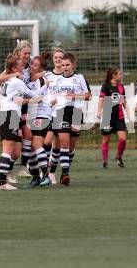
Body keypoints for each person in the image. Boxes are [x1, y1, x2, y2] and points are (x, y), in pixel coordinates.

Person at [0, 56, 48, 190]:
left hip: (6, 114)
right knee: (8, 150)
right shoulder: (16, 81)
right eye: (21, 66)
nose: (24, 68)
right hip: (10, 115)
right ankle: (2, 182)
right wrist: (46, 86)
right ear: (14, 68)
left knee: (11, 150)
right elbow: (33, 93)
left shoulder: (10, 81)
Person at [50, 52, 91, 186]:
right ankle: (65, 174)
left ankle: (63, 172)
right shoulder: (57, 80)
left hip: (76, 113)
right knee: (64, 144)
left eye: (67, 65)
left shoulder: (79, 78)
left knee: (71, 148)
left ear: (73, 65)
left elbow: (88, 96)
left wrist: (75, 96)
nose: (65, 67)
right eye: (63, 65)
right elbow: (53, 96)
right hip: (61, 112)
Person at [0, 40, 32, 180]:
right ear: (18, 53)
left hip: (23, 106)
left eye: (29, 53)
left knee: (27, 136)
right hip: (12, 107)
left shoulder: (29, 67)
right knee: (13, 144)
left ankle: (23, 167)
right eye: (25, 53)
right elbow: (0, 78)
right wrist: (15, 75)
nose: (27, 56)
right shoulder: (14, 67)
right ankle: (7, 171)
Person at [25, 53, 53, 188]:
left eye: (36, 65)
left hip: (43, 114)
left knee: (36, 145)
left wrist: (23, 100)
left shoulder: (42, 79)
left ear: (41, 68)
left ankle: (46, 176)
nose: (32, 67)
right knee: (30, 147)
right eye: (32, 64)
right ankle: (36, 177)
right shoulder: (29, 79)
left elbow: (39, 98)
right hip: (33, 115)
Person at [97, 67, 131, 169]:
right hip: (107, 117)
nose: (121, 75)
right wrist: (99, 110)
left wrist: (128, 113)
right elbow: (101, 99)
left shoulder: (121, 87)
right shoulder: (106, 86)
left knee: (123, 139)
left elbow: (124, 101)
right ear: (113, 75)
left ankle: (118, 157)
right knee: (105, 141)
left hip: (119, 118)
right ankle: (105, 161)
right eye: (120, 74)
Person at [44, 47, 64, 184]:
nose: (58, 59)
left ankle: (51, 173)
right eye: (56, 57)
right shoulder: (47, 76)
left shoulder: (68, 76)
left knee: (56, 145)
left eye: (60, 57)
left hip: (61, 113)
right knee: (45, 143)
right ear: (53, 59)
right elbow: (41, 92)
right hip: (47, 113)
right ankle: (43, 170)